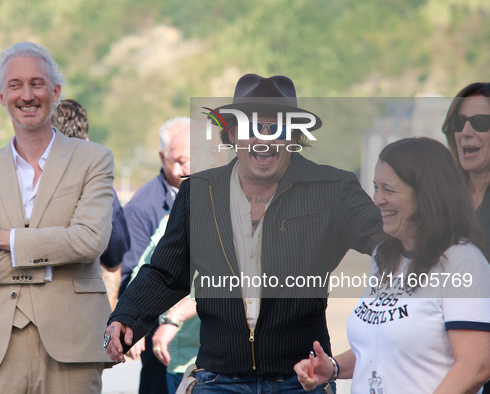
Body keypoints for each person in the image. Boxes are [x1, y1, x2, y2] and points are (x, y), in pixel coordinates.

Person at [105, 74, 382, 393]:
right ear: (233, 134)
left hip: (301, 379)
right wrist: (126, 315)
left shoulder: (333, 188)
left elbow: (386, 240)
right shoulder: (199, 191)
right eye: (251, 128)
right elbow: (167, 273)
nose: (262, 140)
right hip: (219, 379)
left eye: (275, 128)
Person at [0, 42, 114, 394]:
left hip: (72, 343)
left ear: (55, 92)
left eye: (37, 84)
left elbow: (89, 241)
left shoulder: (94, 160)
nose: (27, 95)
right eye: (15, 85)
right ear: (0, 95)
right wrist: (54, 260)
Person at [294, 137, 490, 393]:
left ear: (426, 195)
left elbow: (475, 367)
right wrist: (333, 367)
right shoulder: (383, 257)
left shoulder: (463, 262)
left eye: (389, 190)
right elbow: (385, 346)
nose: (376, 200)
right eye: (376, 187)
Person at [120, 117, 191, 394]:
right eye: (180, 160)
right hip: (158, 333)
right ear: (163, 157)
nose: (187, 167)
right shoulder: (142, 207)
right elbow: (134, 272)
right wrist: (133, 320)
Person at [52, 98, 131, 308]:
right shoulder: (101, 190)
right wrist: (105, 328)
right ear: (86, 141)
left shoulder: (19, 178)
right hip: (80, 312)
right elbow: (113, 264)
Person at [442, 83, 490, 393]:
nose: (466, 132)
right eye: (460, 123)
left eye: (481, 122)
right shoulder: (441, 199)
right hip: (446, 361)